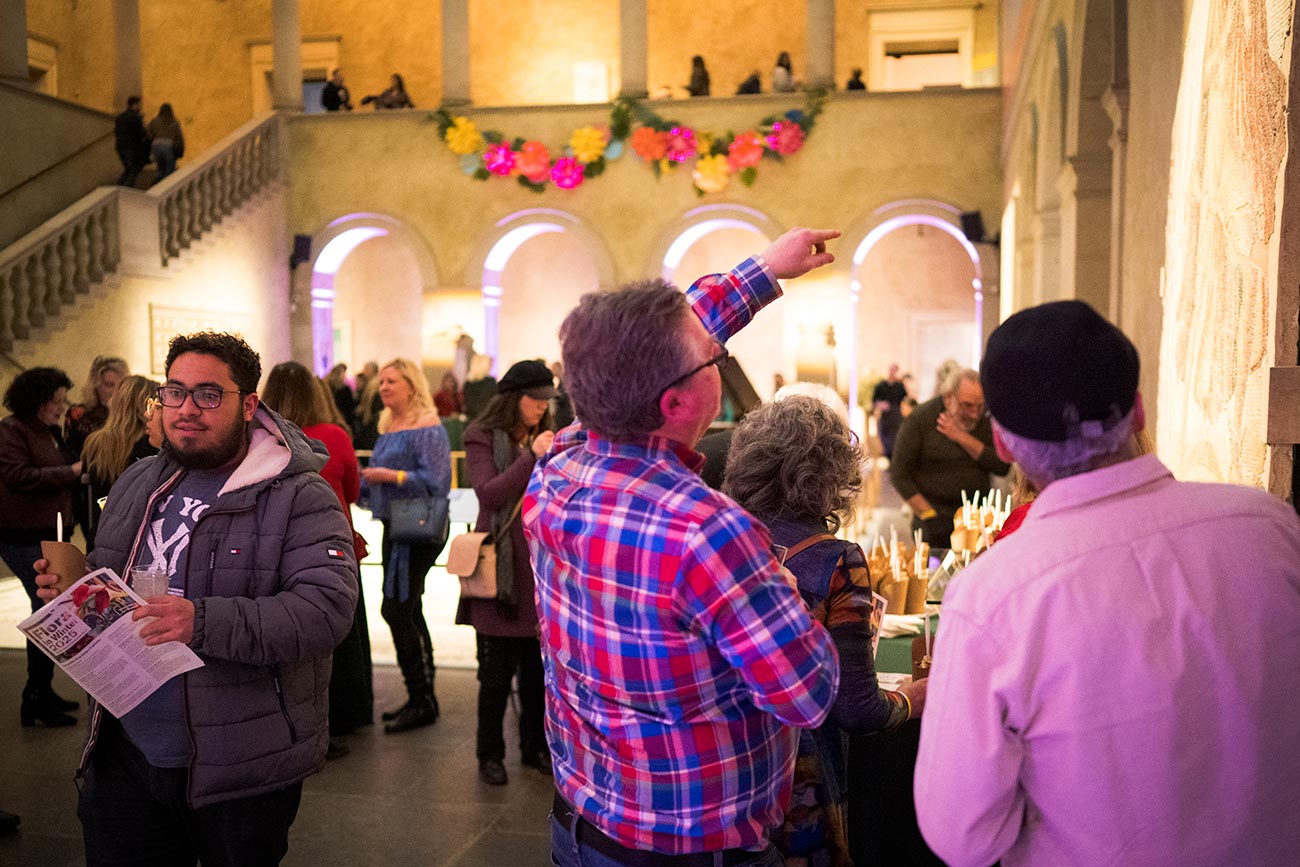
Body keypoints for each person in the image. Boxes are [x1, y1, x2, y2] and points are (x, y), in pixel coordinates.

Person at [914, 300, 1300, 866]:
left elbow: (963, 836)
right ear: (1139, 412)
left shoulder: (994, 594)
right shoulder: (1270, 528)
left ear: (1001, 443)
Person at [527, 226, 842, 864]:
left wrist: (763, 271)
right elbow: (808, 690)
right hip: (689, 847)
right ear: (677, 400)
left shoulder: (559, 468)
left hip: (585, 823)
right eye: (713, 358)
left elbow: (652, 344)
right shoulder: (711, 532)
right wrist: (779, 579)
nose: (718, 356)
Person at [34, 331, 358, 867]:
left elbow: (325, 611)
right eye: (174, 392)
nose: (186, 409)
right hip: (126, 747)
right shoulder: (141, 479)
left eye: (209, 394)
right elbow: (114, 581)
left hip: (237, 763)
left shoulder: (299, 493)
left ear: (249, 404)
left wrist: (199, 620)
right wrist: (75, 587)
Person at [724, 396, 926, 866]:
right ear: (832, 475)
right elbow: (855, 706)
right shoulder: (839, 561)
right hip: (801, 778)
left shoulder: (726, 538)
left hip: (728, 771)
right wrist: (912, 700)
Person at [261, 361, 372, 759]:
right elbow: (355, 491)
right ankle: (343, 714)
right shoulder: (334, 436)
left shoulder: (260, 438)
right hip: (333, 545)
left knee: (293, 634)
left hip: (277, 547)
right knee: (339, 633)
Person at [459, 360, 556, 786]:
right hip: (499, 573)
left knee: (537, 675)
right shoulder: (481, 436)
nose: (541, 408)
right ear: (514, 399)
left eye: (546, 402)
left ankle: (534, 747)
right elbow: (489, 494)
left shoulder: (548, 435)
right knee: (495, 676)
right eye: (535, 400)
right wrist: (531, 458)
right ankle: (489, 753)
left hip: (539, 569)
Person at [360, 358, 450, 734]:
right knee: (407, 606)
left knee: (397, 607)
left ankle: (421, 697)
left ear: (412, 386)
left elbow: (437, 482)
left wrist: (389, 476)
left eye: (391, 381)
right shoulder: (388, 424)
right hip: (395, 526)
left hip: (418, 527)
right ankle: (423, 697)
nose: (383, 387)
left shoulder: (427, 427)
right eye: (381, 381)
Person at [0, 367, 82, 728]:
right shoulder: (11, 431)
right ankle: (35, 697)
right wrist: (73, 472)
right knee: (44, 608)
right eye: (56, 402)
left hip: (49, 533)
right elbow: (18, 476)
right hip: (20, 535)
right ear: (37, 400)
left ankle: (41, 691)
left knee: (50, 608)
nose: (61, 409)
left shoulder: (46, 432)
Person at [890, 367, 1009, 547]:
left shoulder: (986, 419)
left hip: (976, 520)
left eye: (980, 405)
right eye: (967, 405)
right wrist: (928, 514)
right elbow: (899, 474)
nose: (975, 413)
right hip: (932, 518)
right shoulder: (921, 419)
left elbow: (1002, 465)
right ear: (948, 397)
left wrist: (961, 437)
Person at [80, 374, 161, 548]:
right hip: (137, 534)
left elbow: (86, 498)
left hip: (100, 528)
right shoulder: (151, 445)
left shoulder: (95, 443)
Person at [66, 356, 130, 458]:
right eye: (109, 385)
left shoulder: (129, 415)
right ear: (95, 385)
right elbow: (70, 454)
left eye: (120, 385)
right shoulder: (79, 414)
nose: (115, 391)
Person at [871, 363, 907, 458]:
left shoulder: (900, 386)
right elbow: (874, 400)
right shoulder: (881, 385)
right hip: (885, 416)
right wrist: (881, 404)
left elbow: (905, 399)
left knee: (896, 438)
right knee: (885, 438)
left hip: (896, 416)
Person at [113, 96, 150, 187]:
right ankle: (126, 189)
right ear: (134, 105)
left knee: (129, 168)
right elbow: (141, 133)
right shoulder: (135, 117)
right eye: (138, 105)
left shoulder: (120, 117)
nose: (140, 107)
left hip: (120, 146)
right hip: (131, 147)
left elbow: (116, 131)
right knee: (133, 169)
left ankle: (118, 187)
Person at [146, 103, 184, 181]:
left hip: (156, 145)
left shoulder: (154, 121)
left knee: (160, 168)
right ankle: (166, 186)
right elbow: (178, 136)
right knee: (170, 169)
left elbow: (149, 135)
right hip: (169, 145)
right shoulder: (174, 122)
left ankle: (158, 184)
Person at [461, 354, 497, 421]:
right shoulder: (490, 382)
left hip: (472, 420)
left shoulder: (468, 383)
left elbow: (468, 403)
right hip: (487, 419)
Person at [324, 362, 356, 428]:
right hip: (344, 420)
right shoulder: (345, 389)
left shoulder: (327, 387)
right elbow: (350, 407)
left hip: (329, 418)